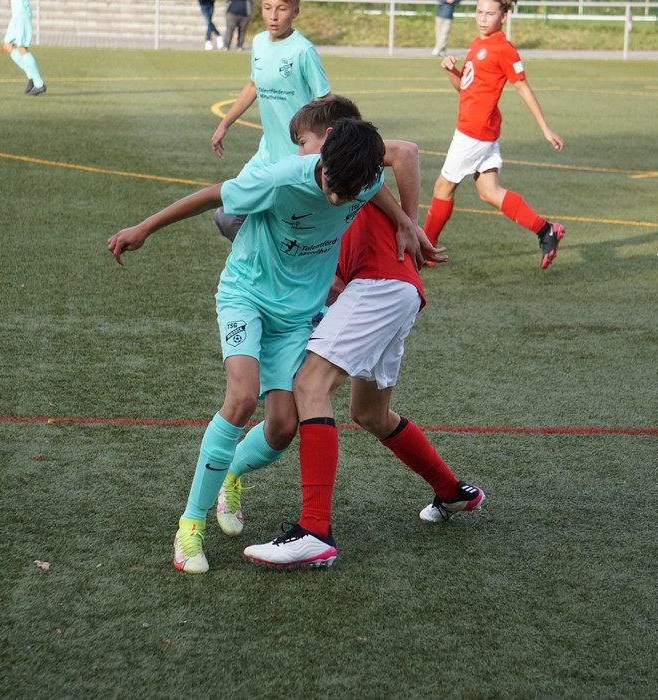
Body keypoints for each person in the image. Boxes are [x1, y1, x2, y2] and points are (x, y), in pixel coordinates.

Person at [109, 111, 418, 575]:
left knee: (282, 428)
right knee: (241, 398)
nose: (336, 199)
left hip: (297, 317)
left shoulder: (364, 175)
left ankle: (229, 474)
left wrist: (405, 222)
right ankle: (190, 525)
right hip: (246, 297)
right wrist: (144, 228)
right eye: (331, 186)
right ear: (324, 152)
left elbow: (382, 182)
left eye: (348, 194)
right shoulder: (279, 180)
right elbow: (212, 196)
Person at [208, 99, 483, 569]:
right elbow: (331, 286)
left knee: (309, 385)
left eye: (303, 143)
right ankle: (452, 492)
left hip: (381, 285)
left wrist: (409, 223)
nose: (299, 154)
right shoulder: (330, 199)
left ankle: (314, 531)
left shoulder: (345, 167)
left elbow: (406, 151)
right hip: (395, 293)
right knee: (370, 412)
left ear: (330, 138)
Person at [422, 0, 565, 270]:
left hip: (474, 131)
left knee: (443, 186)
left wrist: (545, 128)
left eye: (490, 13)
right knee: (489, 192)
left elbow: (523, 88)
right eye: (479, 12)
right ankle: (546, 230)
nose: (483, 18)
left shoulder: (504, 50)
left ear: (504, 17)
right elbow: (464, 87)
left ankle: (424, 251)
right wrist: (451, 70)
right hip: (481, 129)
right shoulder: (477, 44)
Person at [211, 0, 331, 241]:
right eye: (267, 8)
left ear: (295, 11)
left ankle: (281, 257)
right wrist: (225, 124)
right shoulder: (258, 43)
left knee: (293, 227)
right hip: (266, 154)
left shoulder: (303, 50)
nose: (273, 16)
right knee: (227, 216)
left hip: (297, 158)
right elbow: (253, 85)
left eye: (282, 9)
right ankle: (267, 255)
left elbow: (326, 101)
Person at [1, 0, 46, 96]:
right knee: (7, 45)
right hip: (17, 13)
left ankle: (39, 84)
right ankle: (31, 77)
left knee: (22, 48)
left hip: (21, 13)